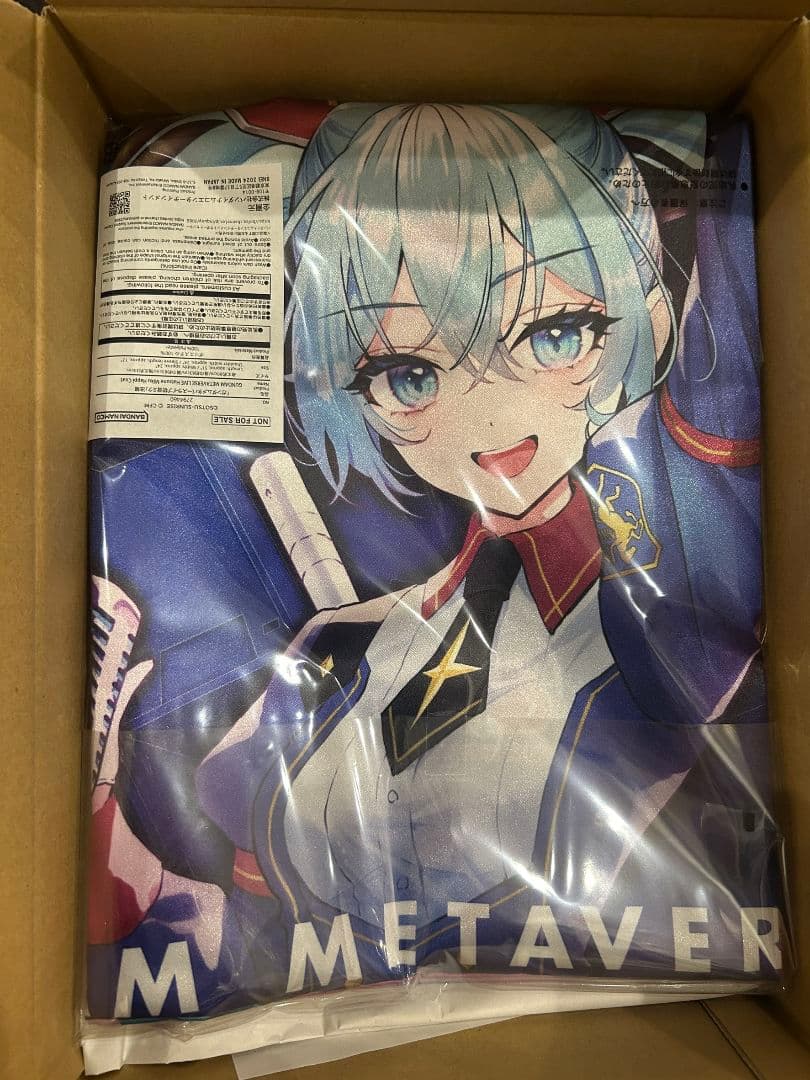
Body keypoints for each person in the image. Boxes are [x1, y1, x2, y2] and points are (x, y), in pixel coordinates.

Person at [88, 104, 783, 1019]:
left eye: (556, 333)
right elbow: (238, 946)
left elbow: (735, 287)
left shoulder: (671, 584)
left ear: (647, 313)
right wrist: (111, 839)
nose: (486, 418)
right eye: (409, 376)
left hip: (630, 1022)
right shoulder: (338, 651)